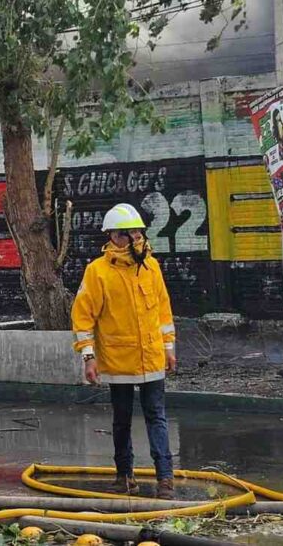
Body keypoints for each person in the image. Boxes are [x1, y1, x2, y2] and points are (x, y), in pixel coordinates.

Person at [71, 203, 177, 500]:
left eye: (136, 232)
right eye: (124, 234)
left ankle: (165, 479)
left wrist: (168, 347)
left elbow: (163, 310)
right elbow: (83, 317)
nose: (132, 238)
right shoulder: (98, 272)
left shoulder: (151, 266)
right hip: (118, 362)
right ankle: (124, 476)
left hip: (152, 357)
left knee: (157, 416)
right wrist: (89, 356)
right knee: (122, 419)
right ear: (112, 237)